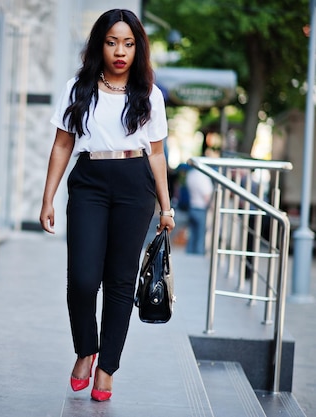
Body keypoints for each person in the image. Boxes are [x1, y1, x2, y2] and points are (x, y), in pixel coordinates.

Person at [39, 9, 174, 402]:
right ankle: (86, 348)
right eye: (112, 42)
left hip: (135, 185)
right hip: (89, 183)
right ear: (101, 43)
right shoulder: (78, 88)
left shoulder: (149, 94)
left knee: (119, 281)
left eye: (128, 44)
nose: (120, 51)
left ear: (138, 48)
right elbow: (63, 144)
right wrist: (47, 197)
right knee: (82, 278)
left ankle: (107, 367)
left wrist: (165, 208)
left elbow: (157, 155)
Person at [185, 166, 214, 255]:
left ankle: (189, 258)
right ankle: (198, 258)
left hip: (192, 206)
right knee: (200, 238)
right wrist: (213, 207)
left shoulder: (190, 174)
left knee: (192, 236)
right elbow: (206, 196)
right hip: (201, 208)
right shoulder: (203, 177)